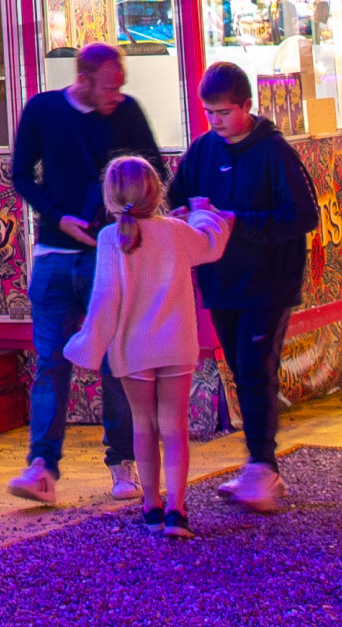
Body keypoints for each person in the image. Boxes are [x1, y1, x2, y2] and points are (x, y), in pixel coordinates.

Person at [2, 39, 163, 508]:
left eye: (121, 86)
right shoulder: (43, 110)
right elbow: (21, 174)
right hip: (54, 252)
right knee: (52, 362)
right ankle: (41, 467)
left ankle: (122, 463)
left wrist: (126, 216)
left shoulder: (128, 114)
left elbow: (154, 170)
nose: (117, 95)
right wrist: (59, 217)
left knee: (115, 360)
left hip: (107, 254)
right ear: (84, 80)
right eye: (110, 87)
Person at [170, 60, 318, 510]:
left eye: (223, 112)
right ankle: (258, 465)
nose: (215, 122)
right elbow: (175, 199)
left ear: (247, 106)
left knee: (255, 366)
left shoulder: (274, 152)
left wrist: (239, 222)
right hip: (221, 281)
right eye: (208, 113)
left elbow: (303, 216)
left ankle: (263, 467)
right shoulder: (202, 151)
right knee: (240, 366)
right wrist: (183, 216)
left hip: (268, 280)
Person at [74, 152, 230, 538]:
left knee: (143, 426)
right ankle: (178, 510)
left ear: (110, 198)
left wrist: (88, 346)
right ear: (157, 191)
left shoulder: (111, 239)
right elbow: (212, 245)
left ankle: (151, 507)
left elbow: (105, 299)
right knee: (175, 427)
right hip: (177, 343)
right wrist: (201, 213)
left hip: (132, 348)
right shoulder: (176, 232)